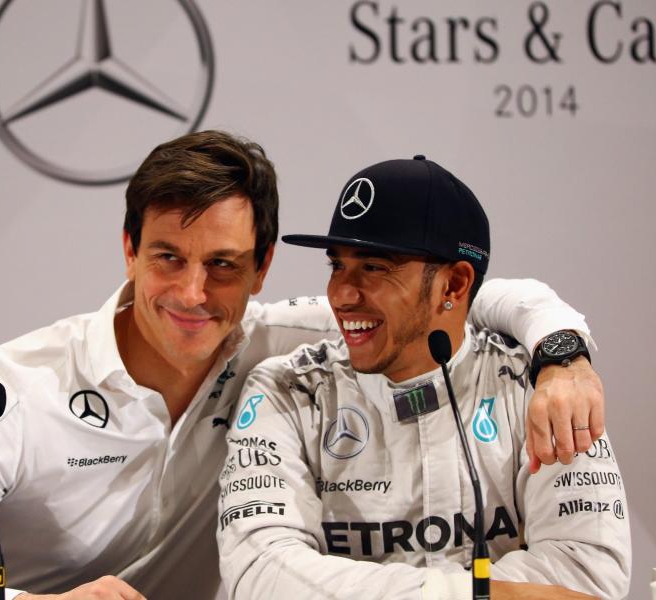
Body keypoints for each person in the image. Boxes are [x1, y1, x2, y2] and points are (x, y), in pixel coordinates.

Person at [0, 132, 607, 600]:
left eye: (224, 265)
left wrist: (561, 351)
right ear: (129, 250)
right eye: (168, 257)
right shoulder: (12, 386)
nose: (194, 295)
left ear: (264, 265)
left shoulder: (283, 342)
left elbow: (460, 297)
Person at [216, 156, 631, 599]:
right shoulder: (286, 388)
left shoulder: (538, 388)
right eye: (336, 265)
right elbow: (262, 575)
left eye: (374, 267)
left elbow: (589, 577)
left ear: (453, 286)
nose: (341, 293)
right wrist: (475, 593)